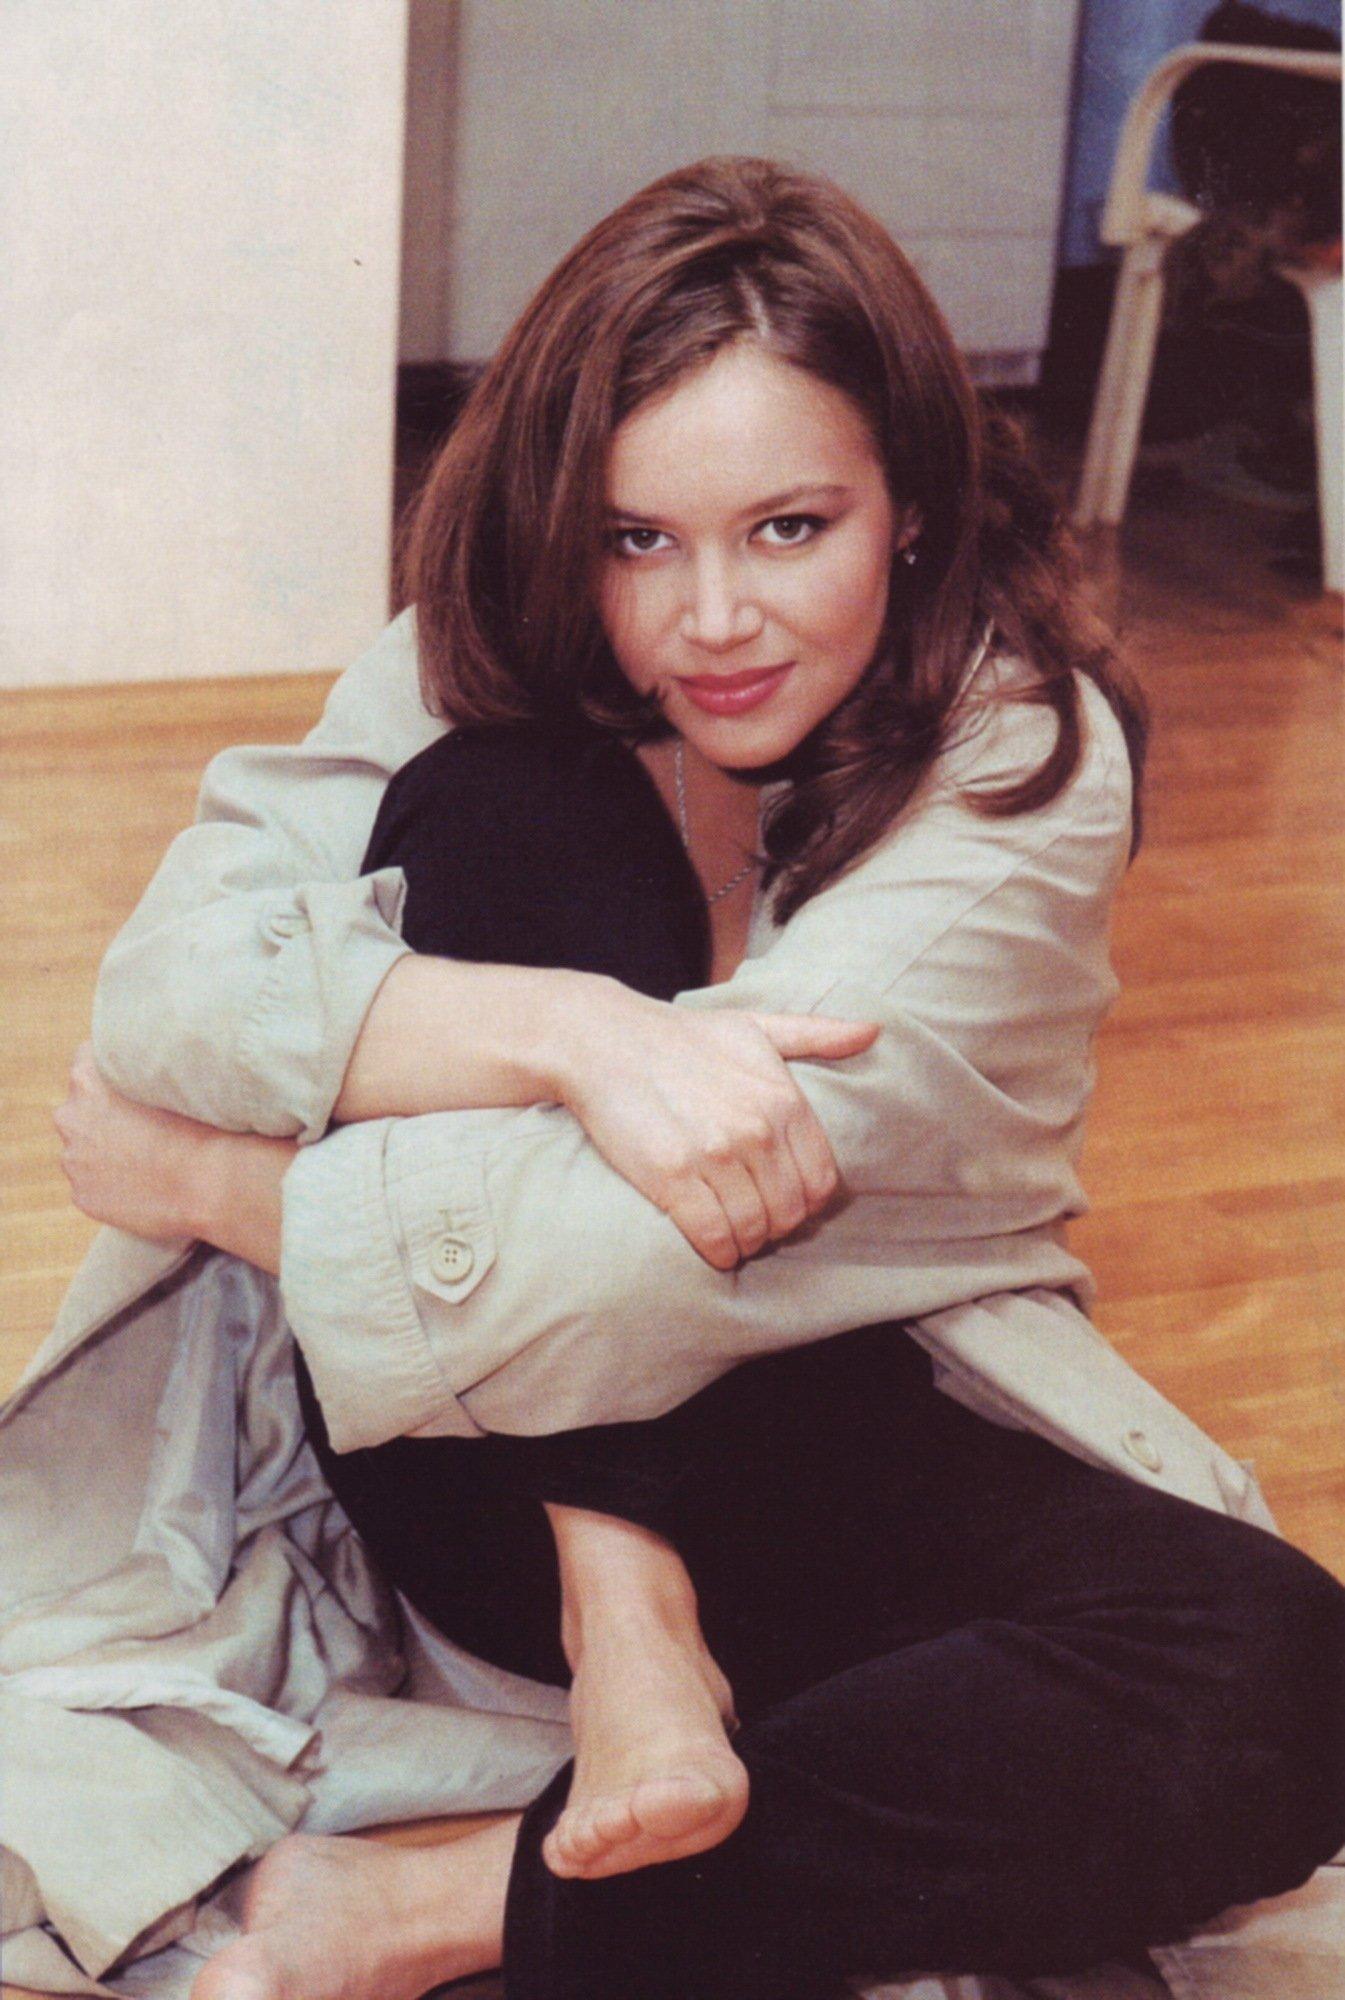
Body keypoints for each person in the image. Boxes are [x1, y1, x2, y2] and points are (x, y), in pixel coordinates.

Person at [17, 156, 1345, 2000]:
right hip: (474, 1458)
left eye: (787, 528)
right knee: (511, 796)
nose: (711, 618)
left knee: (1279, 1675)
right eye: (637, 539)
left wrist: (213, 1187)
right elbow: (160, 991)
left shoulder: (1018, 758)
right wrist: (578, 1032)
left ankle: (434, 1906)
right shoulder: (487, 654)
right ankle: (617, 1589)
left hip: (823, 1408)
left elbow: (645, 1255)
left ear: (910, 506)